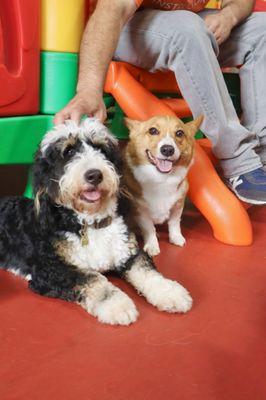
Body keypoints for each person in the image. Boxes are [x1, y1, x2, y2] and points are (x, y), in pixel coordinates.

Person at [54, 0, 266, 205]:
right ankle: (238, 161)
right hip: (121, 29)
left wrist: (228, 17)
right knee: (188, 27)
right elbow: (112, 9)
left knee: (262, 29)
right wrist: (88, 89)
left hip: (188, 30)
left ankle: (262, 154)